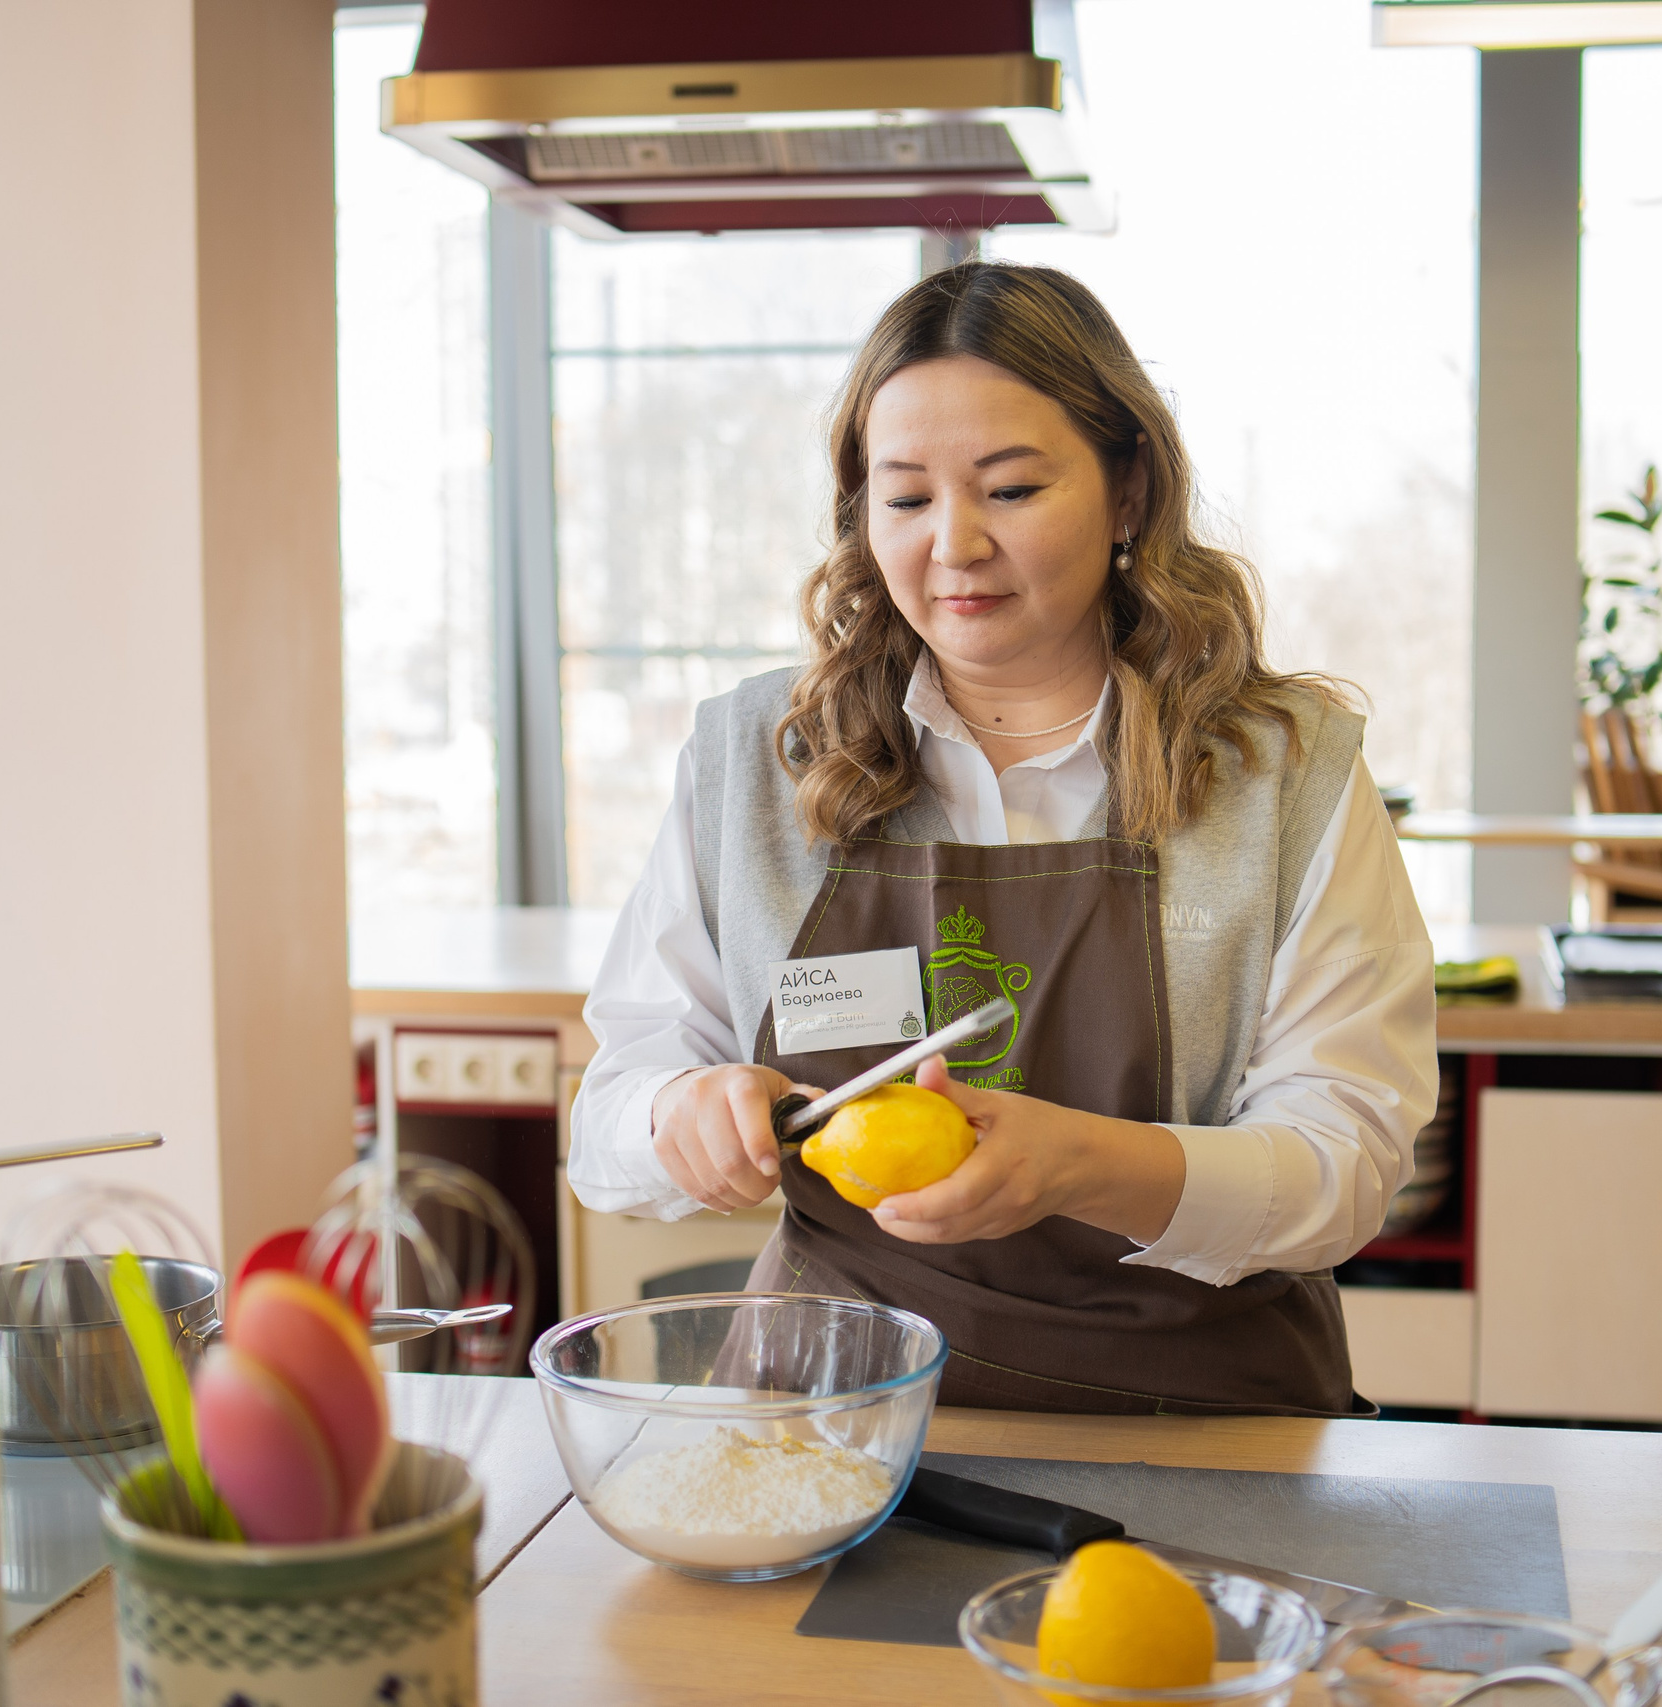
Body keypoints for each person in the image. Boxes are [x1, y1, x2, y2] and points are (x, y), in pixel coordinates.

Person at [569, 261, 1435, 1416]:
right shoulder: (752, 761)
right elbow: (608, 1120)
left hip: (1202, 1419)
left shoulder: (1283, 773)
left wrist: (1080, 1165)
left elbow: (1348, 1167)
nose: (954, 544)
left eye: (1011, 490)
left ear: (1129, 490)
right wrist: (680, 1115)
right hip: (836, 1415)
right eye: (908, 497)